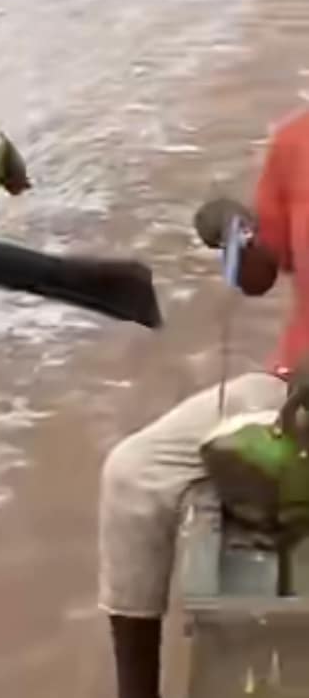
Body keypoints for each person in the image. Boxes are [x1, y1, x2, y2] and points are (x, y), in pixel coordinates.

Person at [98, 111, 309, 698]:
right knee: (134, 473)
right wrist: (235, 231)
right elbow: (262, 272)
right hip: (294, 393)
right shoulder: (296, 141)